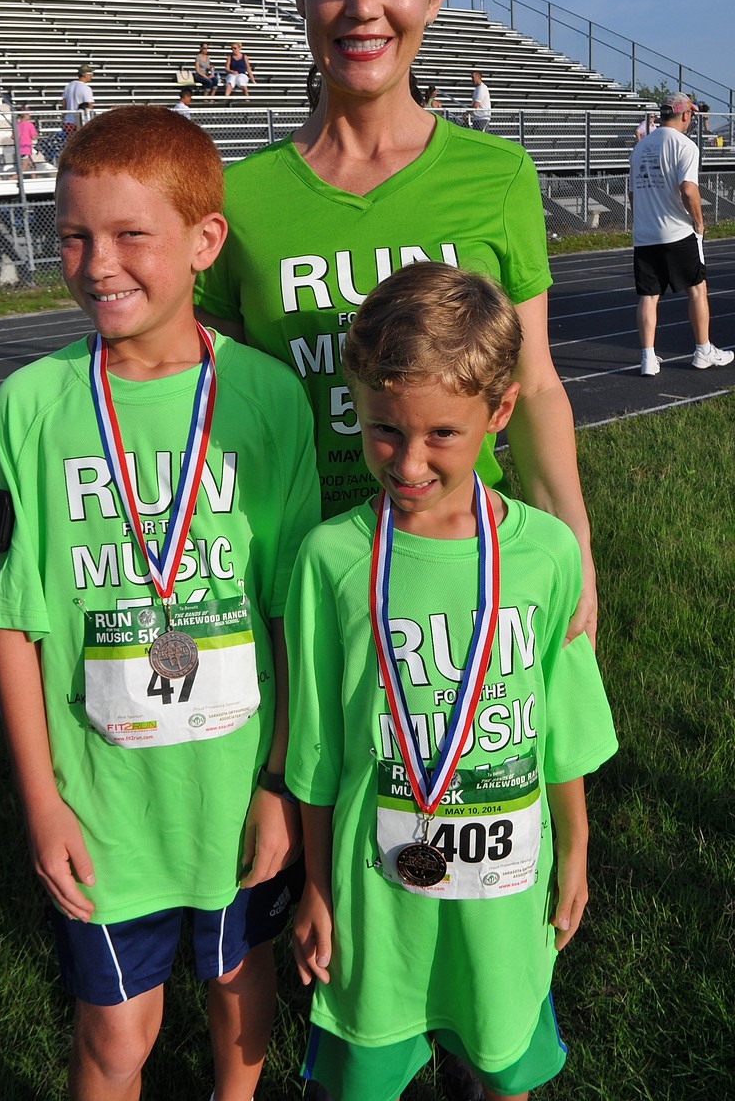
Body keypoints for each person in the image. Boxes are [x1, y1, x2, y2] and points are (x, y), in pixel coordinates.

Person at [0, 105, 320, 1101]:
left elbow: (287, 610)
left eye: (133, 234)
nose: (99, 264)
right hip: (103, 802)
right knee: (113, 1038)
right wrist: (42, 801)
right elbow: (16, 615)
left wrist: (279, 783)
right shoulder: (33, 403)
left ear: (204, 241)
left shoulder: (264, 398)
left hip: (231, 791)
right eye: (76, 236)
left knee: (235, 983)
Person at [194, 0, 597, 646]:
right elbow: (187, 390)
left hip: (464, 574)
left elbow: (536, 386)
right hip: (297, 584)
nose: (363, 5)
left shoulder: (498, 177)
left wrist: (574, 546)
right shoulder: (237, 199)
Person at [286, 262, 618, 1101]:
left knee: (505, 1061)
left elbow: (562, 727)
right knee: (366, 1074)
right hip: (374, 893)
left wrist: (574, 848)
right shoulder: (331, 558)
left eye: (442, 434)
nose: (407, 461)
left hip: (504, 895)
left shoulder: (544, 554)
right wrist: (318, 885)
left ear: (498, 412)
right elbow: (319, 749)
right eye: (385, 430)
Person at [629, 90, 734, 375]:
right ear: (685, 114)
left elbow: (632, 195)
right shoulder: (685, 146)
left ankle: (648, 358)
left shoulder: (639, 148)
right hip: (677, 231)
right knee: (697, 290)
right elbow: (688, 189)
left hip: (645, 233)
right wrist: (698, 222)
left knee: (648, 296)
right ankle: (703, 350)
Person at [60, 64, 94, 136]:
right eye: (90, 74)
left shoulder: (68, 86)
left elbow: (63, 104)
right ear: (84, 74)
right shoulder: (86, 88)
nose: (92, 76)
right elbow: (89, 105)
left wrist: (63, 118)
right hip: (80, 122)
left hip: (68, 121)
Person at [16, 108, 37, 173]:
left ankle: (34, 179)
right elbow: (33, 137)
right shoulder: (29, 125)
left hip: (19, 148)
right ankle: (11, 179)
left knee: (32, 166)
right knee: (24, 167)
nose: (29, 115)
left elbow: (13, 136)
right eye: (28, 114)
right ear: (24, 115)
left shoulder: (17, 125)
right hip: (26, 148)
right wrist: (36, 134)